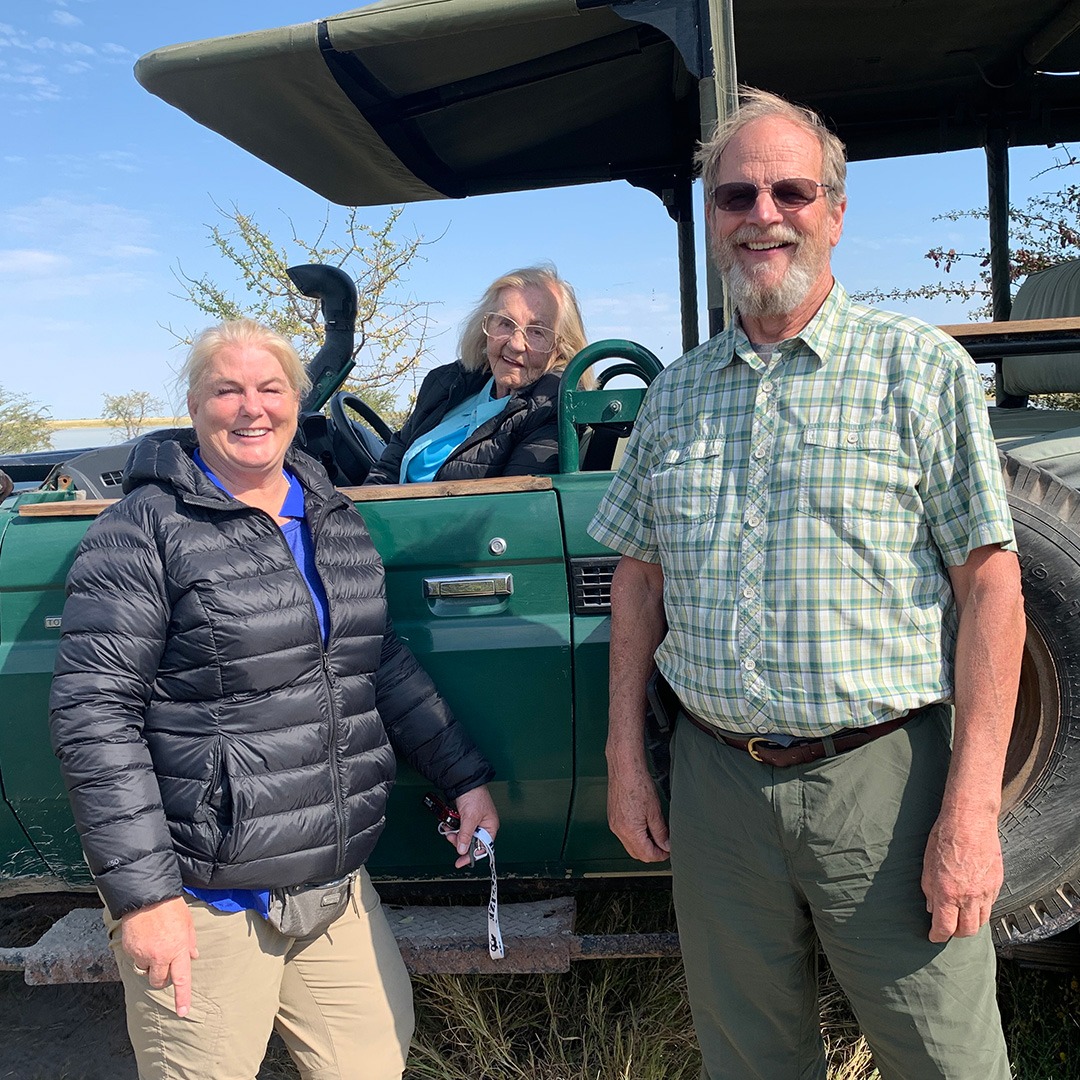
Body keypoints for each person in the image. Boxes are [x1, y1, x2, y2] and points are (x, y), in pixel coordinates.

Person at [588, 87, 1025, 1080]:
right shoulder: (675, 396)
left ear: (834, 208)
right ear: (713, 219)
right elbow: (637, 584)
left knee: (945, 1055)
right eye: (736, 195)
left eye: (791, 190)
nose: (763, 215)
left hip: (883, 781)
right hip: (716, 784)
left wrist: (972, 812)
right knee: (749, 1058)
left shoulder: (918, 370)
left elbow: (992, 590)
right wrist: (627, 759)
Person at [49, 318, 499, 1080]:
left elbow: (375, 660)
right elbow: (95, 716)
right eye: (227, 389)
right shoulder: (143, 531)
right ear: (195, 405)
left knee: (375, 1064)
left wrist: (463, 776)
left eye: (270, 388)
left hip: (331, 884)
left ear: (298, 401)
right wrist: (144, 898)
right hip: (206, 896)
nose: (251, 408)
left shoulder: (330, 517)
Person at [364, 265, 588, 484]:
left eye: (537, 332)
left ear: (560, 347)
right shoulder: (447, 383)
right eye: (506, 324)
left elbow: (515, 508)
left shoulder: (553, 407)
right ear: (486, 326)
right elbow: (388, 468)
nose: (516, 344)